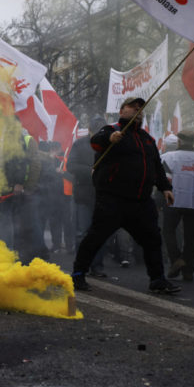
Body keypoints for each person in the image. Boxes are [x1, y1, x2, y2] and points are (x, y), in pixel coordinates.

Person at [71, 97, 180, 294]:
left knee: (153, 239)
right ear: (122, 111)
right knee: (95, 237)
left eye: (141, 109)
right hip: (113, 200)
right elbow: (96, 141)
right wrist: (110, 139)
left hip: (141, 202)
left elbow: (156, 166)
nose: (139, 111)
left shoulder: (148, 139)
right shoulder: (111, 129)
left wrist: (165, 187)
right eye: (134, 108)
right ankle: (78, 274)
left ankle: (157, 279)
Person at [161, 130, 194, 281]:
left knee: (168, 231)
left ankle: (176, 259)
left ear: (178, 141)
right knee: (191, 237)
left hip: (173, 201)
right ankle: (188, 270)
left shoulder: (167, 157)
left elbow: (161, 180)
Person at [0, 131, 44, 264]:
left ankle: (32, 255)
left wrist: (28, 187)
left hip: (21, 189)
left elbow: (34, 165)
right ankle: (18, 254)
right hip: (6, 188)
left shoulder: (25, 139)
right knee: (10, 221)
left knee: (20, 221)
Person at [68, 116, 109, 277]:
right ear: (90, 130)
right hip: (84, 195)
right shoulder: (79, 144)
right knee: (83, 232)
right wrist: (90, 170)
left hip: (103, 195)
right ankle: (81, 266)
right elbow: (71, 166)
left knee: (101, 232)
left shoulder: (109, 145)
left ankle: (97, 266)